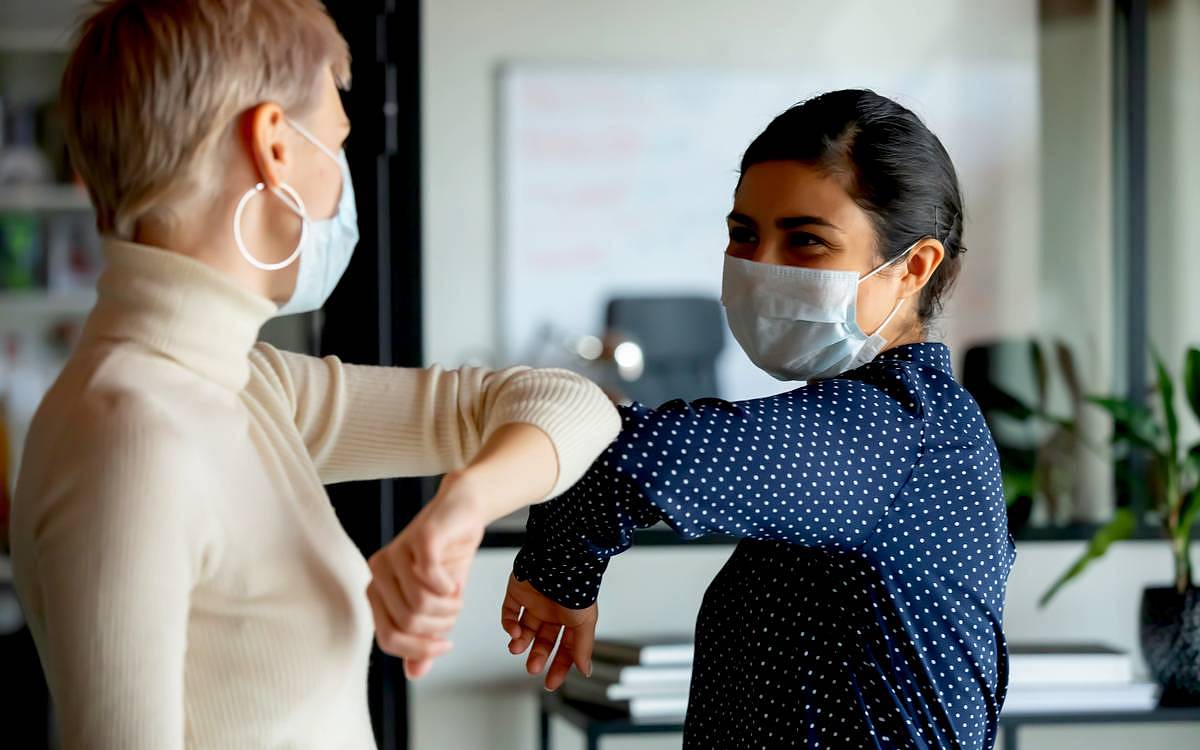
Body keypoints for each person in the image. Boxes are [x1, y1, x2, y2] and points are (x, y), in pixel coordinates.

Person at [8, 2, 619, 749]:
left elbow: (576, 404)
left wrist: (461, 507)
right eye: (336, 142)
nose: (341, 179)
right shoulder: (129, 432)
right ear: (272, 144)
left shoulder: (244, 385)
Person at [406, 89, 1016, 748]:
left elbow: (624, 456)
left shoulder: (896, 429)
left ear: (913, 269)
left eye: (806, 240)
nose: (761, 267)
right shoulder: (899, 428)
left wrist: (556, 571)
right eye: (744, 234)